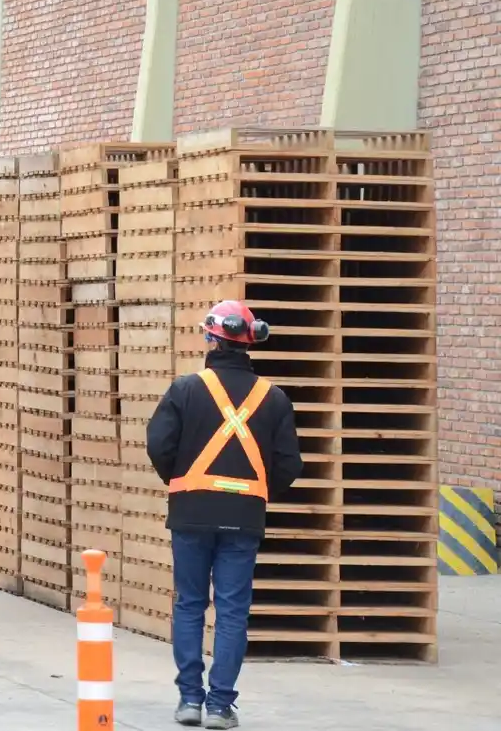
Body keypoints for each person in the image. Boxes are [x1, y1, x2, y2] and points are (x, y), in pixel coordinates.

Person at [147, 300, 303, 730]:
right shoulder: (273, 398)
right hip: (244, 518)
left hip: (191, 513)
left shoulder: (185, 389)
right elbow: (290, 465)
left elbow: (159, 445)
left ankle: (190, 701)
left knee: (191, 604)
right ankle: (220, 706)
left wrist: (181, 483)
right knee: (233, 611)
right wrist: (255, 493)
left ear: (213, 340)